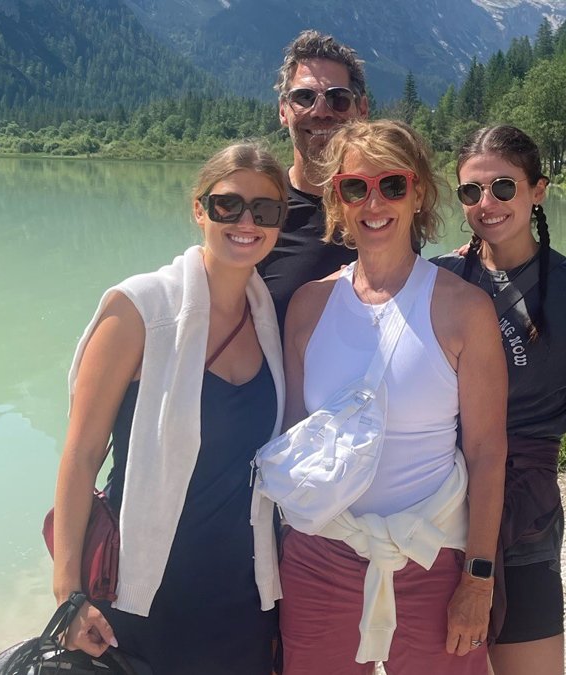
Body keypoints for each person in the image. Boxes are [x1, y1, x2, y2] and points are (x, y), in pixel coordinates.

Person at [278, 119, 507, 674]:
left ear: (419, 193)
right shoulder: (308, 307)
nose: (373, 201)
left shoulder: (464, 309)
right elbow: (291, 441)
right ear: (337, 198)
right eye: (355, 186)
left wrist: (478, 578)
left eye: (392, 185)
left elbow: (487, 452)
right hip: (320, 555)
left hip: (430, 553)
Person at [51, 144, 288, 674]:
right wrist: (68, 593)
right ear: (199, 209)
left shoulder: (266, 316)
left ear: (278, 224)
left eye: (265, 210)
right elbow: (82, 453)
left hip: (243, 596)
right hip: (142, 591)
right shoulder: (139, 309)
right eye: (227, 205)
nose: (246, 221)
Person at [431, 125, 566, 675]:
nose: (487, 203)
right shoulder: (438, 280)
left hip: (526, 510)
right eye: (471, 192)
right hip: (436, 504)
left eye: (504, 188)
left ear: (538, 191)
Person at [258, 30, 369, 327]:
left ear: (362, 109)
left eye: (338, 99)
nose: (320, 112)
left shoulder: (393, 200)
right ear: (283, 111)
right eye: (304, 97)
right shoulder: (257, 212)